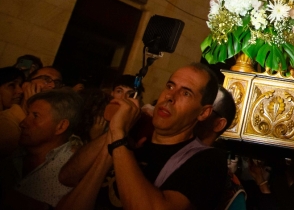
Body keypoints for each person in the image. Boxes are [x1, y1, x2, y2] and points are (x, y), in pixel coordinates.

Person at [57, 63, 227, 210]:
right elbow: (68, 176)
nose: (170, 96)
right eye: (170, 86)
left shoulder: (207, 160)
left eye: (186, 93)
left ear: (204, 112)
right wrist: (118, 130)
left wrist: (118, 137)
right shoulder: (131, 134)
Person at [0, 88, 83, 209]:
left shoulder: (72, 168)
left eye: (35, 116)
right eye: (28, 114)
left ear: (61, 126)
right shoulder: (15, 155)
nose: (22, 123)